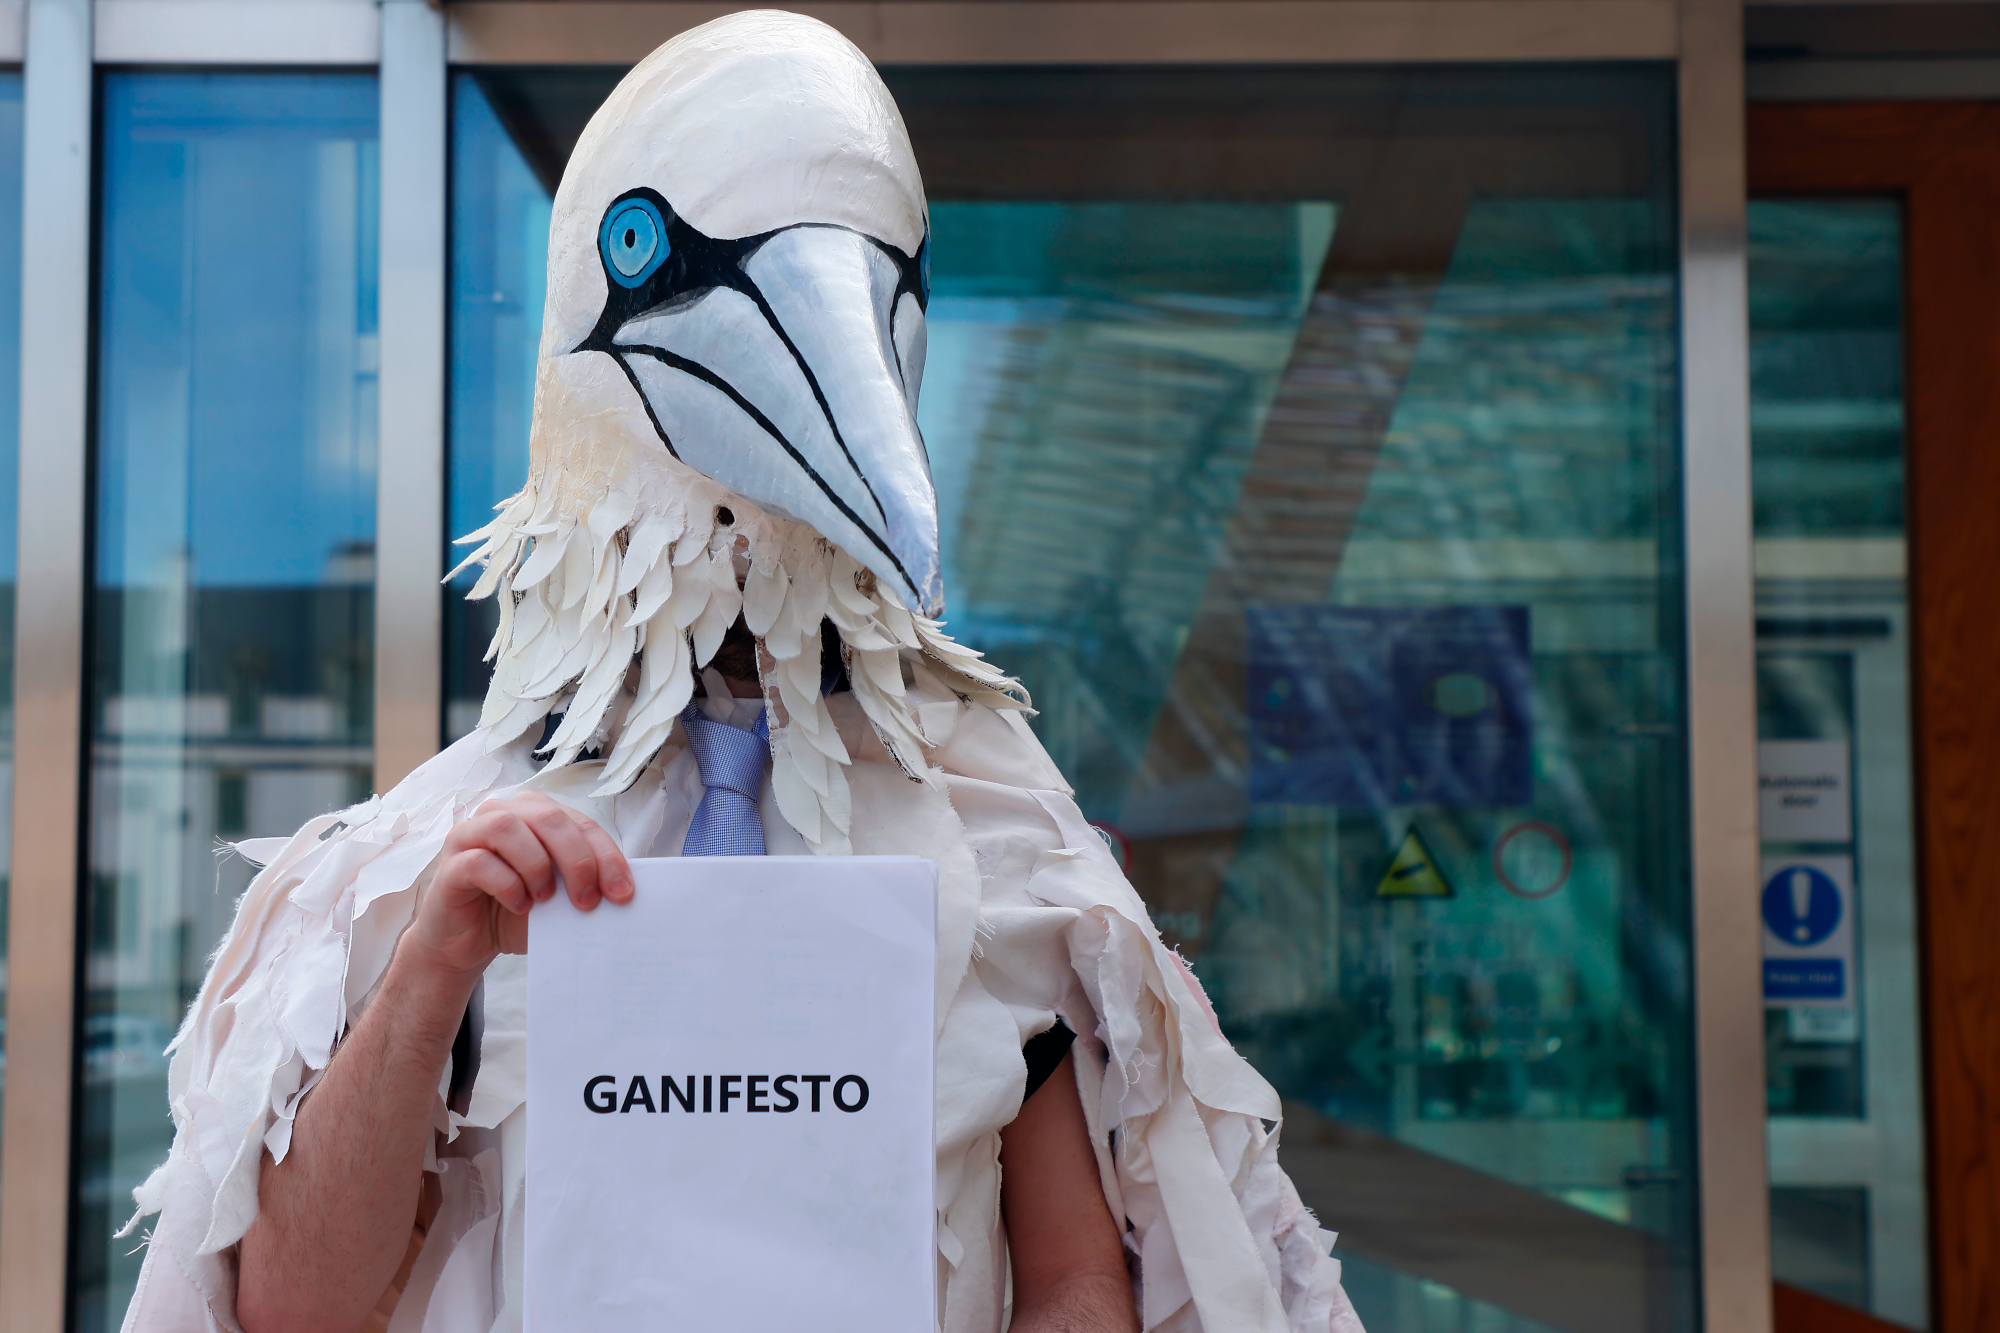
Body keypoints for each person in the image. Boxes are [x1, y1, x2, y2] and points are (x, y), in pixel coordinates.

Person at [118, 12, 1364, 1333]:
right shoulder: (419, 880)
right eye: (654, 256)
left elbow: (1067, 1272)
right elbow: (293, 1309)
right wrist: (433, 966)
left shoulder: (995, 840)